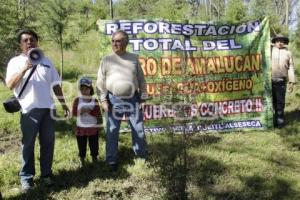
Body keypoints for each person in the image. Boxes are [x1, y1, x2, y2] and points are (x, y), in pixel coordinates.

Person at [5, 29, 70, 192]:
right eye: (25, 40)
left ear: (37, 42)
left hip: (48, 109)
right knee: (28, 144)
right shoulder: (15, 62)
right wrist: (25, 68)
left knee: (48, 144)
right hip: (28, 110)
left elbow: (56, 85)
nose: (29, 42)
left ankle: (46, 175)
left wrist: (64, 105)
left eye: (32, 39)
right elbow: (10, 84)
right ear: (20, 44)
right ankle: (26, 177)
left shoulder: (47, 61)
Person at [96, 29, 148, 170]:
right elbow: (100, 82)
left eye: (118, 41)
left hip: (133, 99)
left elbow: (142, 81)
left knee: (138, 130)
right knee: (112, 131)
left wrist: (143, 99)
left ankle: (141, 158)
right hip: (113, 100)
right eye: (113, 41)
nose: (114, 43)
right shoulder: (106, 60)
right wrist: (104, 101)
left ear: (126, 42)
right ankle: (112, 160)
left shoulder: (133, 58)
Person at [72, 77, 101, 166]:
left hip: (92, 127)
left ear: (90, 89)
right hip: (81, 127)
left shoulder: (94, 100)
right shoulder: (77, 100)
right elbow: (74, 113)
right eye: (82, 89)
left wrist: (90, 111)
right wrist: (80, 112)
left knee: (94, 145)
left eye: (86, 89)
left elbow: (98, 113)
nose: (84, 91)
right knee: (81, 145)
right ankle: (82, 159)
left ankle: (94, 158)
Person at [271, 34, 295, 128]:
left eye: (282, 41)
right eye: (277, 41)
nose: (279, 43)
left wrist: (291, 81)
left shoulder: (288, 53)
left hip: (281, 81)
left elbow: (291, 68)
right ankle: (272, 121)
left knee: (280, 103)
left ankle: (280, 122)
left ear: (284, 42)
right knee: (271, 102)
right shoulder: (270, 50)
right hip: (270, 81)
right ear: (274, 42)